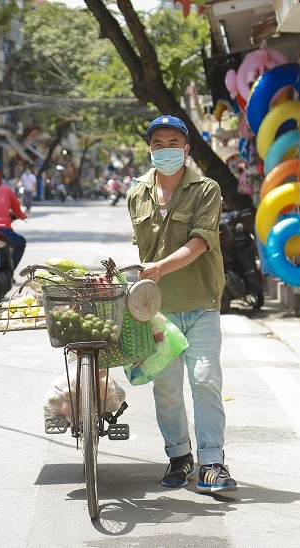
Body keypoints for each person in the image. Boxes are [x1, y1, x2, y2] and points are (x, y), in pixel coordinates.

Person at [125, 114, 237, 493]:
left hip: (201, 302)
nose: (165, 150)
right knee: (167, 388)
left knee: (206, 380)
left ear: (186, 149)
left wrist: (159, 267)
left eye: (173, 143)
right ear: (149, 150)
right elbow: (142, 250)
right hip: (156, 307)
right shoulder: (136, 193)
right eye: (158, 144)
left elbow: (200, 242)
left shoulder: (206, 190)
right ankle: (179, 456)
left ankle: (213, 462)